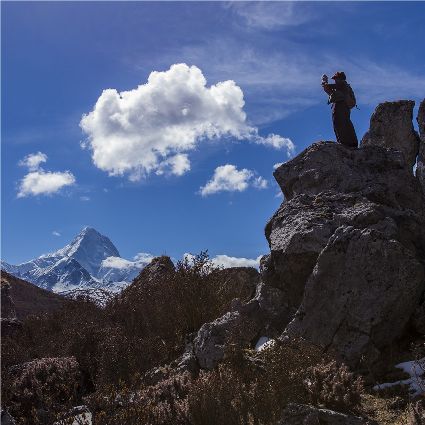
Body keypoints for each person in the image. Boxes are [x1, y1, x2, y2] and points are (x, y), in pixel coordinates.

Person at [322, 71, 358, 148]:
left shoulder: (342, 84)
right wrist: (325, 84)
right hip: (345, 107)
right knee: (345, 122)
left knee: (338, 122)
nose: (335, 80)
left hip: (340, 106)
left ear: (340, 78)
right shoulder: (343, 87)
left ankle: (344, 142)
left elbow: (328, 87)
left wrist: (324, 81)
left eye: (336, 78)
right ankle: (351, 142)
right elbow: (329, 91)